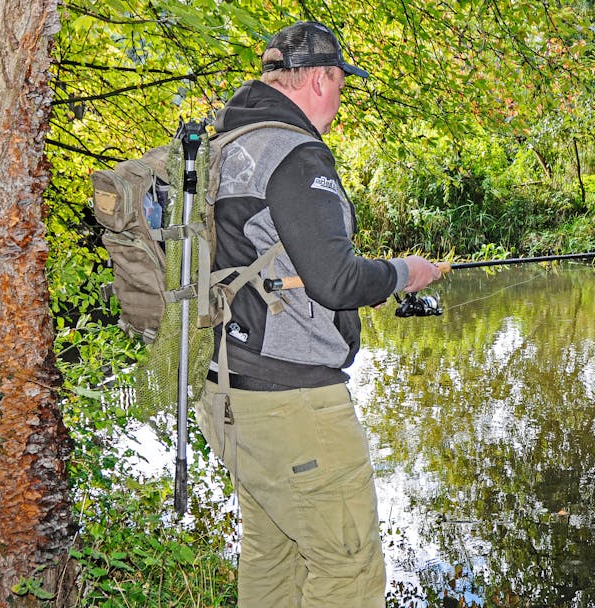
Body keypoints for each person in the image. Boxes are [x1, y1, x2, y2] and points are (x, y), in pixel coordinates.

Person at [195, 21, 442, 607]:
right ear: (321, 79)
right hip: (294, 407)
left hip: (227, 391)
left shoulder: (224, 145)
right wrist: (408, 271)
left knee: (270, 556)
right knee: (348, 573)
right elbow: (337, 280)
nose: (339, 100)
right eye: (339, 85)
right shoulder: (297, 152)